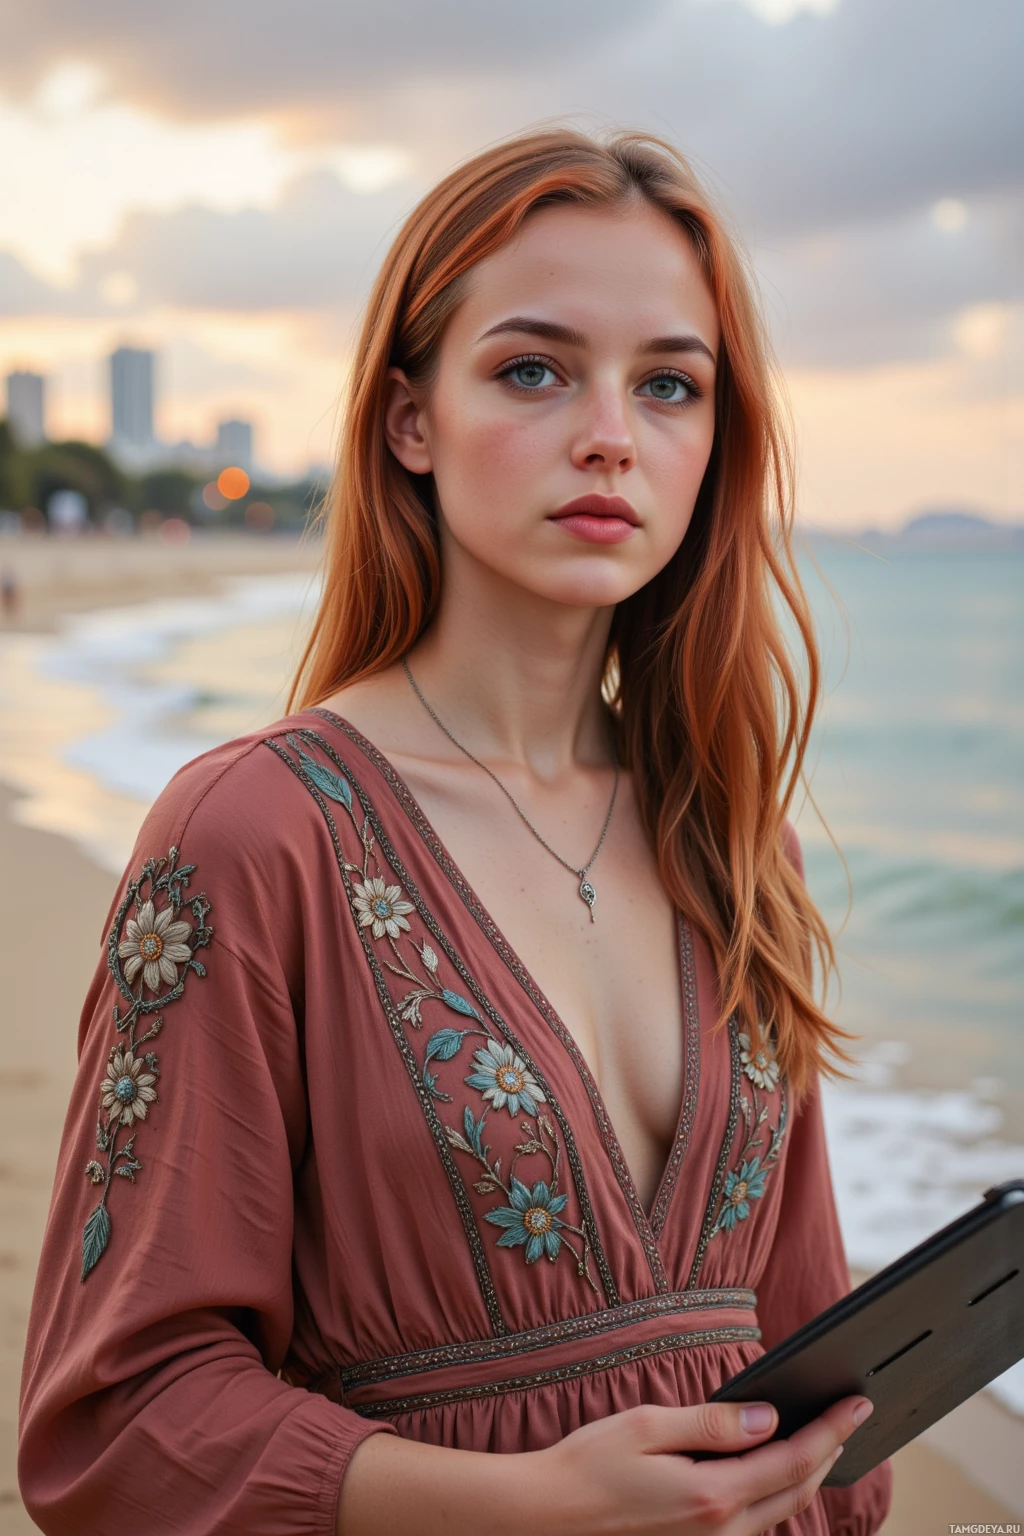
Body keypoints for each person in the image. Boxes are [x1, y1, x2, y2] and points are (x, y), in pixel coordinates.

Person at [18, 127, 893, 1535]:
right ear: (408, 419)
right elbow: (118, 1420)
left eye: (670, 384)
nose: (612, 431)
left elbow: (806, 1337)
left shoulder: (738, 845)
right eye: (535, 370)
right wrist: (524, 1507)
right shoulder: (255, 834)